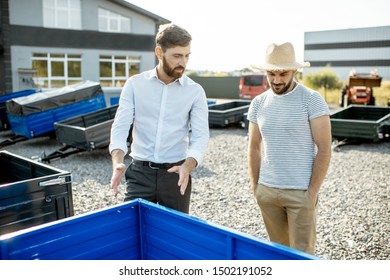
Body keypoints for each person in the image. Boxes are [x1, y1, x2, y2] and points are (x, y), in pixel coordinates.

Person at [109, 23, 209, 214]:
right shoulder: (135, 85)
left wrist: (187, 166)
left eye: (187, 55)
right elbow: (120, 127)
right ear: (159, 52)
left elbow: (200, 136)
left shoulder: (195, 91)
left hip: (176, 175)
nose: (183, 62)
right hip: (139, 174)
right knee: (132, 232)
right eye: (177, 56)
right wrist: (117, 162)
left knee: (174, 236)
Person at [247, 42, 332, 254]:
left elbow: (324, 148)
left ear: (295, 70)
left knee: (303, 257)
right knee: (279, 253)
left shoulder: (312, 100)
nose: (276, 80)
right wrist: (255, 186)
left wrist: (312, 192)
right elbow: (254, 146)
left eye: (283, 74)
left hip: (300, 192)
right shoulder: (258, 102)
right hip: (267, 191)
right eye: (271, 74)